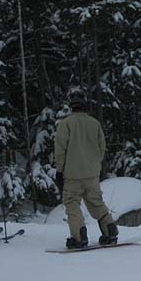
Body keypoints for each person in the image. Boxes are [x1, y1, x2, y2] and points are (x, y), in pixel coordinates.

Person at [54, 88, 118, 249]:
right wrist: (95, 165)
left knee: (72, 203)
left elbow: (60, 150)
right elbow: (101, 147)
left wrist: (60, 171)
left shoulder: (65, 124)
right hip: (91, 173)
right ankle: (110, 230)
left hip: (72, 174)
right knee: (96, 201)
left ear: (71, 105)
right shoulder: (94, 123)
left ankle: (78, 236)